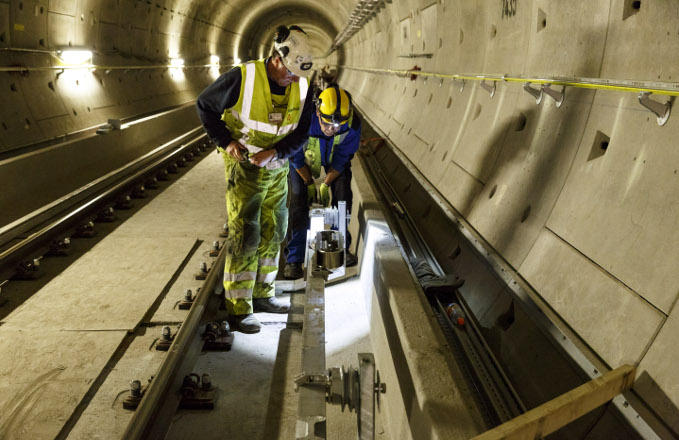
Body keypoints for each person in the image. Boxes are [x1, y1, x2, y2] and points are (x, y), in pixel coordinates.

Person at [196, 25, 314, 333]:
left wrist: (276, 152)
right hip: (245, 169)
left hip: (277, 169)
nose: (293, 80)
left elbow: (302, 132)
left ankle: (263, 293)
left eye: (297, 75)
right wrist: (227, 142)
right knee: (246, 234)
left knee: (276, 229)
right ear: (277, 59)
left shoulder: (303, 85)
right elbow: (205, 106)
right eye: (289, 73)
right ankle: (239, 308)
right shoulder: (242, 78)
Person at [283, 85, 361, 280]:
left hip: (333, 159)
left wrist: (326, 183)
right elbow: (295, 154)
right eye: (326, 124)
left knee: (342, 198)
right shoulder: (302, 118)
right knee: (298, 200)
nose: (331, 129)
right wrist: (309, 182)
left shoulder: (352, 124)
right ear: (318, 112)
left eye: (336, 126)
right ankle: (294, 259)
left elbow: (343, 158)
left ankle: (339, 249)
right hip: (303, 160)